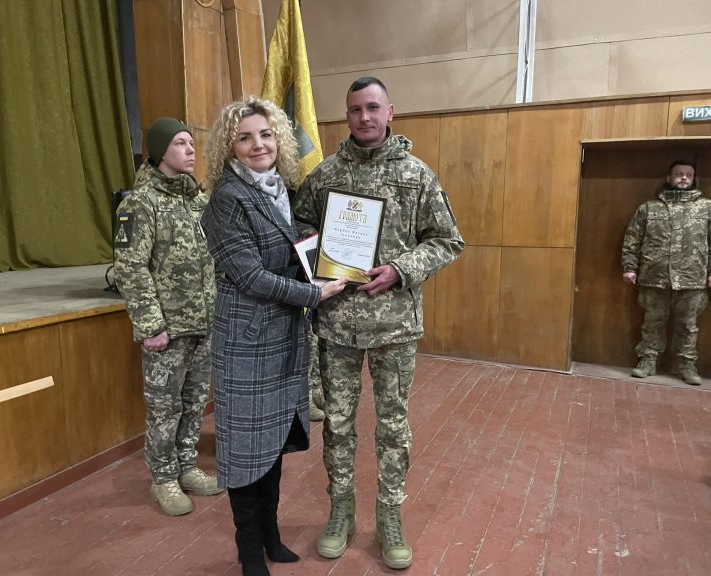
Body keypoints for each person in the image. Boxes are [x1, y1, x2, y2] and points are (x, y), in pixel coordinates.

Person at [292, 77, 465, 570]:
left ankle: (389, 516)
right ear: (346, 116)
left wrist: (401, 269)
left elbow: (447, 240)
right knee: (338, 425)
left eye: (372, 108)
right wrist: (322, 256)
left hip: (394, 326)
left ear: (390, 112)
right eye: (355, 110)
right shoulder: (325, 175)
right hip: (338, 324)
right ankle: (341, 512)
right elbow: (299, 227)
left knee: (392, 425)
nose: (364, 117)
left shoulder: (416, 175)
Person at [201, 96, 346, 576]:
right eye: (244, 137)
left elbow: (296, 252)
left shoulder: (281, 189)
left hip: (282, 336)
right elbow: (249, 277)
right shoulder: (227, 198)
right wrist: (314, 293)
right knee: (246, 450)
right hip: (246, 342)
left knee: (272, 445)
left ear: (279, 139)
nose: (257, 144)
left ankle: (270, 535)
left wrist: (332, 261)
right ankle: (249, 550)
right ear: (230, 147)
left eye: (265, 134)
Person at [113, 117, 223, 516]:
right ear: (160, 152)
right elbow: (130, 267)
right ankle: (163, 478)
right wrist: (150, 325)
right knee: (164, 407)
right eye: (180, 143)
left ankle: (187, 466)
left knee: (194, 402)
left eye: (191, 143)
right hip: (167, 330)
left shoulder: (197, 201)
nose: (191, 150)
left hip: (204, 323)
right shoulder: (139, 203)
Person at [622, 159, 711, 385]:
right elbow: (633, 239)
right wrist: (629, 267)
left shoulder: (707, 208)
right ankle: (648, 360)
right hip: (655, 277)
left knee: (688, 325)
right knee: (652, 322)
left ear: (693, 179)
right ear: (669, 178)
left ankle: (686, 365)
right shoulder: (649, 208)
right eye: (679, 174)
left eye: (688, 175)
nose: (683, 177)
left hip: (692, 279)